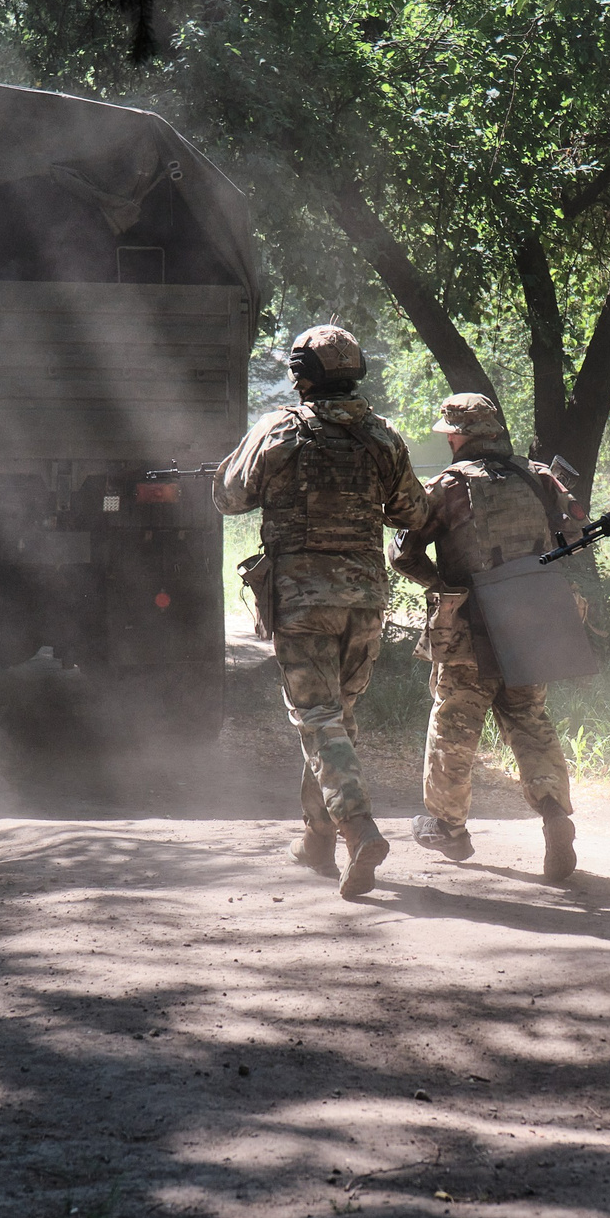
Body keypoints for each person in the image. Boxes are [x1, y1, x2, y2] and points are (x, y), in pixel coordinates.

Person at [216, 325, 429, 898]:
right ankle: (318, 839)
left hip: (304, 601)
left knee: (318, 720)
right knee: (337, 720)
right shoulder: (382, 436)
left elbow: (230, 497)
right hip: (364, 602)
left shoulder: (280, 429)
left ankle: (358, 828)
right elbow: (412, 510)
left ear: (301, 376)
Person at [388, 393, 587, 880]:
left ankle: (447, 828)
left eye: (450, 433)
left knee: (455, 724)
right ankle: (554, 812)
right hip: (534, 618)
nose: (449, 439)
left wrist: (442, 585)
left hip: (470, 623)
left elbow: (403, 554)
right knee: (528, 717)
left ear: (464, 436)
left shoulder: (447, 486)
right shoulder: (538, 476)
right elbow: (574, 535)